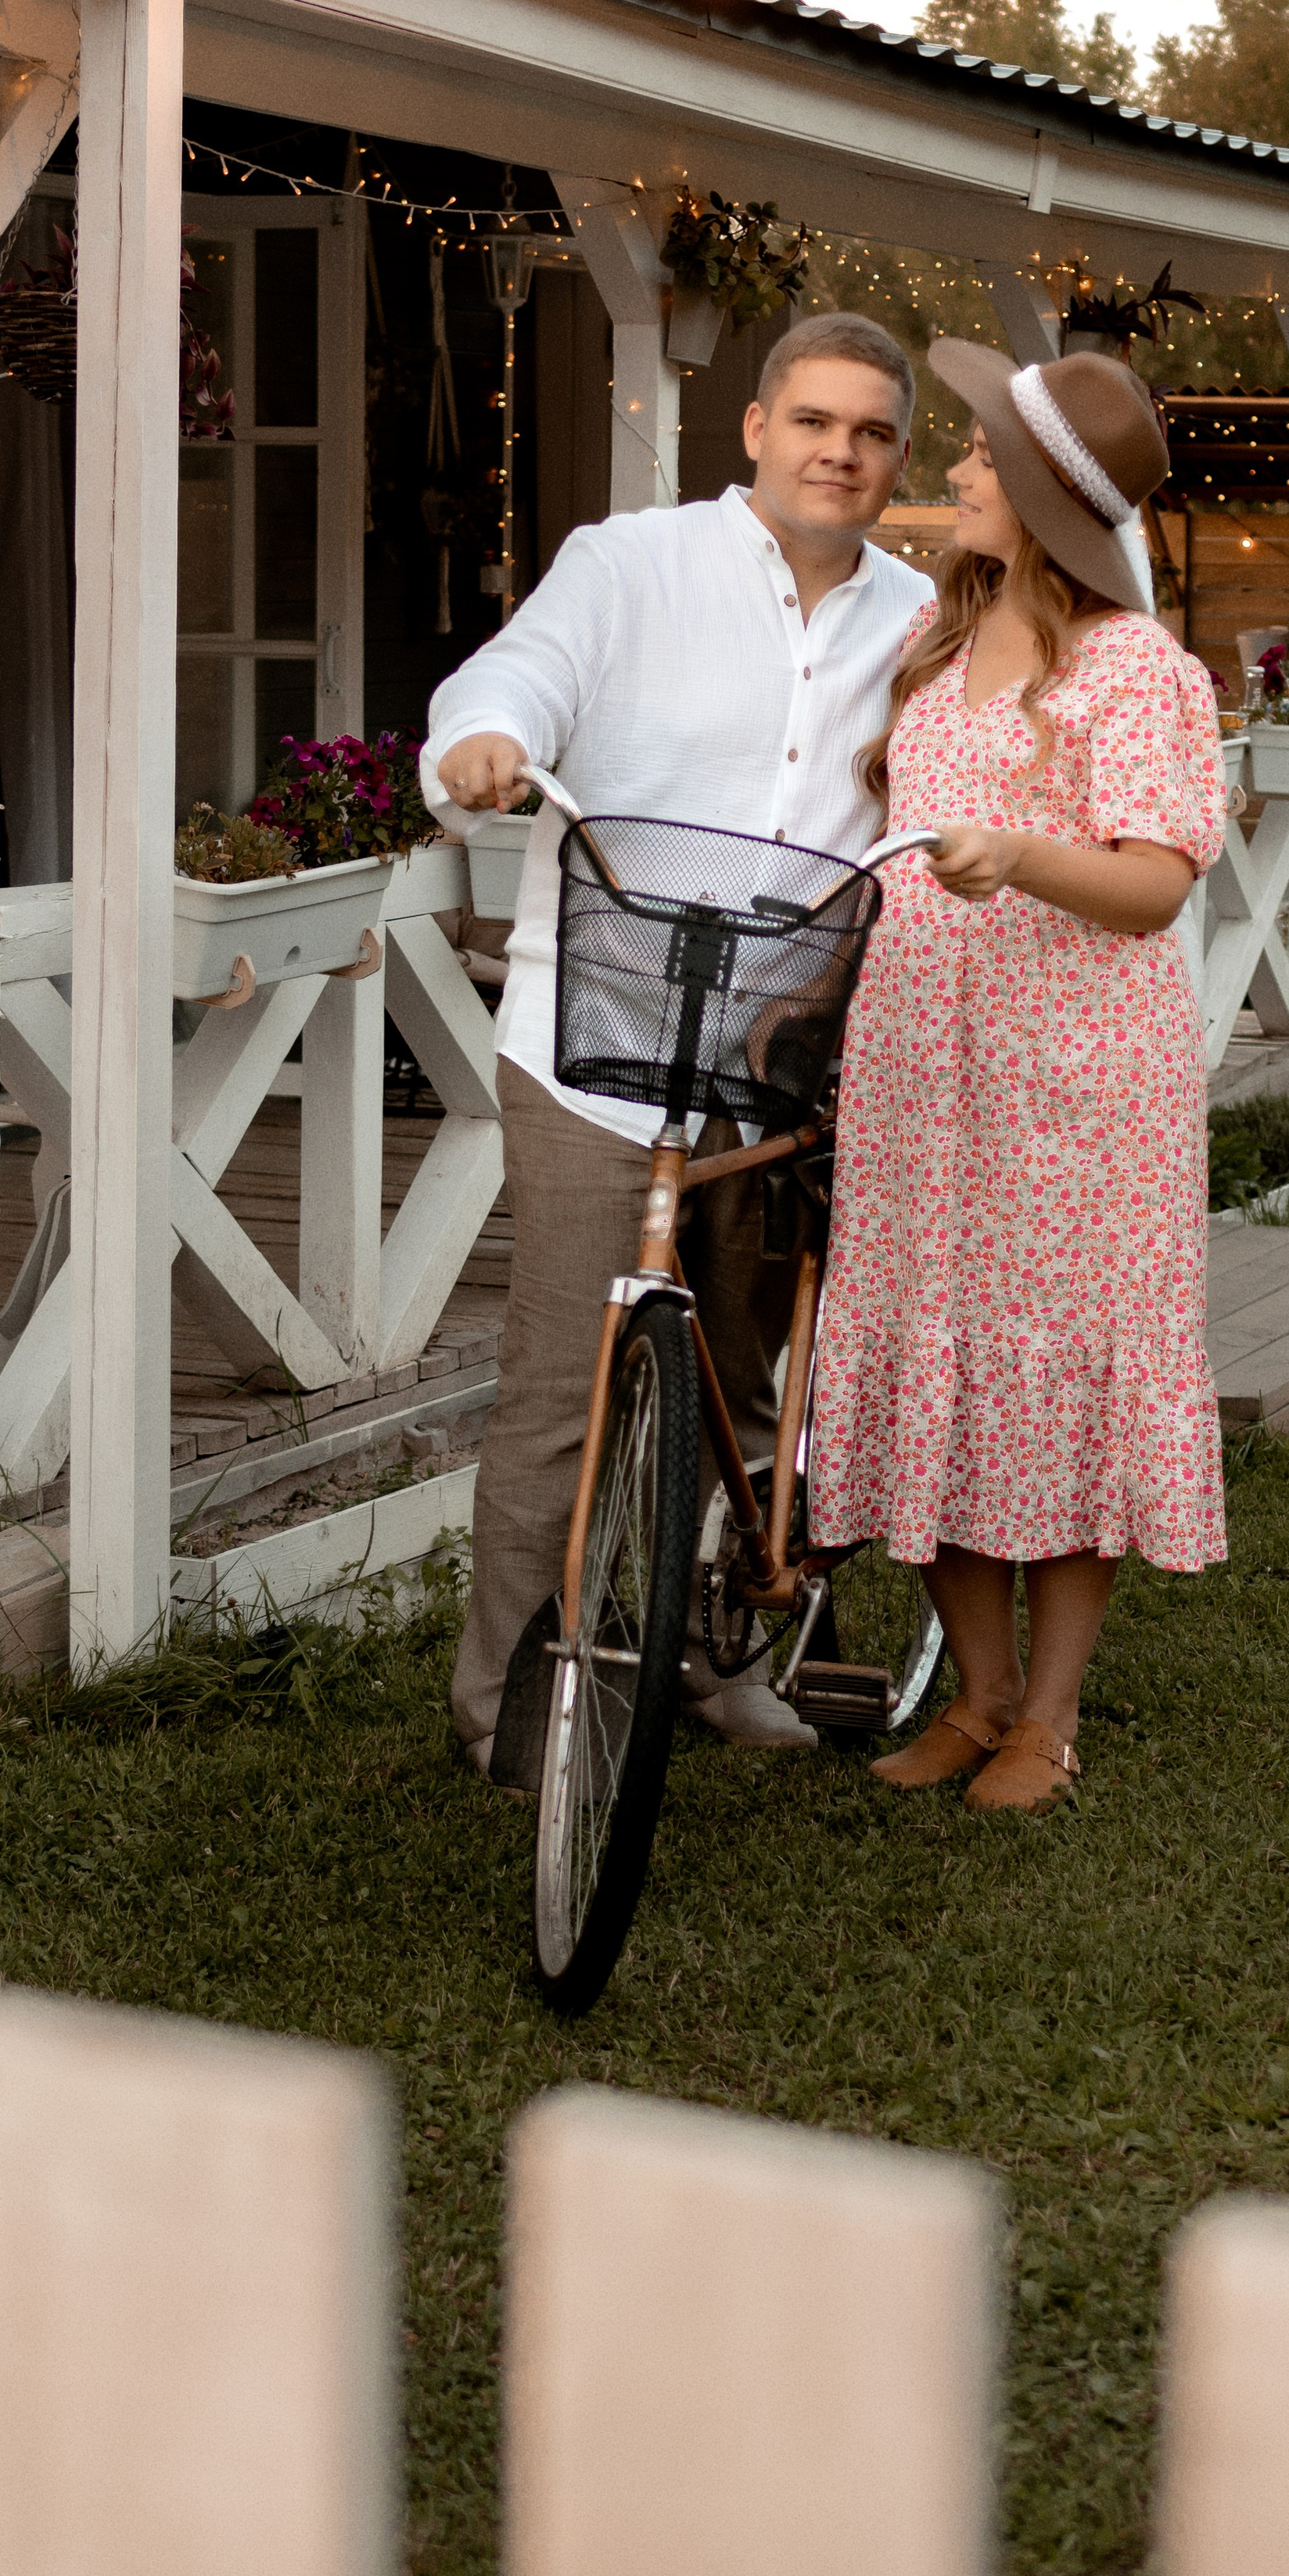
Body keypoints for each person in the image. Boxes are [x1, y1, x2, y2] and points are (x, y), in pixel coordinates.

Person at [424, 312, 932, 1773]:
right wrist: (486, 745)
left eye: (872, 433)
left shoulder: (918, 612)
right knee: (562, 1382)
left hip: (783, 1053)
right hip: (597, 1034)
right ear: (757, 428)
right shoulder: (629, 561)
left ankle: (710, 1662)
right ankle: (508, 1706)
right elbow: (508, 681)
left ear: (896, 456)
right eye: (815, 422)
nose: (840, 452)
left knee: (745, 1376)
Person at [806, 342, 1228, 1814]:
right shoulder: (937, 633)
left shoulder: (1136, 670)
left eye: (985, 455)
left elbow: (1156, 886)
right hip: (922, 1063)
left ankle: (1050, 1716)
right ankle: (976, 1697)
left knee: (1056, 1376)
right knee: (936, 1357)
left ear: (1045, 494)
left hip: (1076, 1082)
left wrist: (1019, 856)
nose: (959, 468)